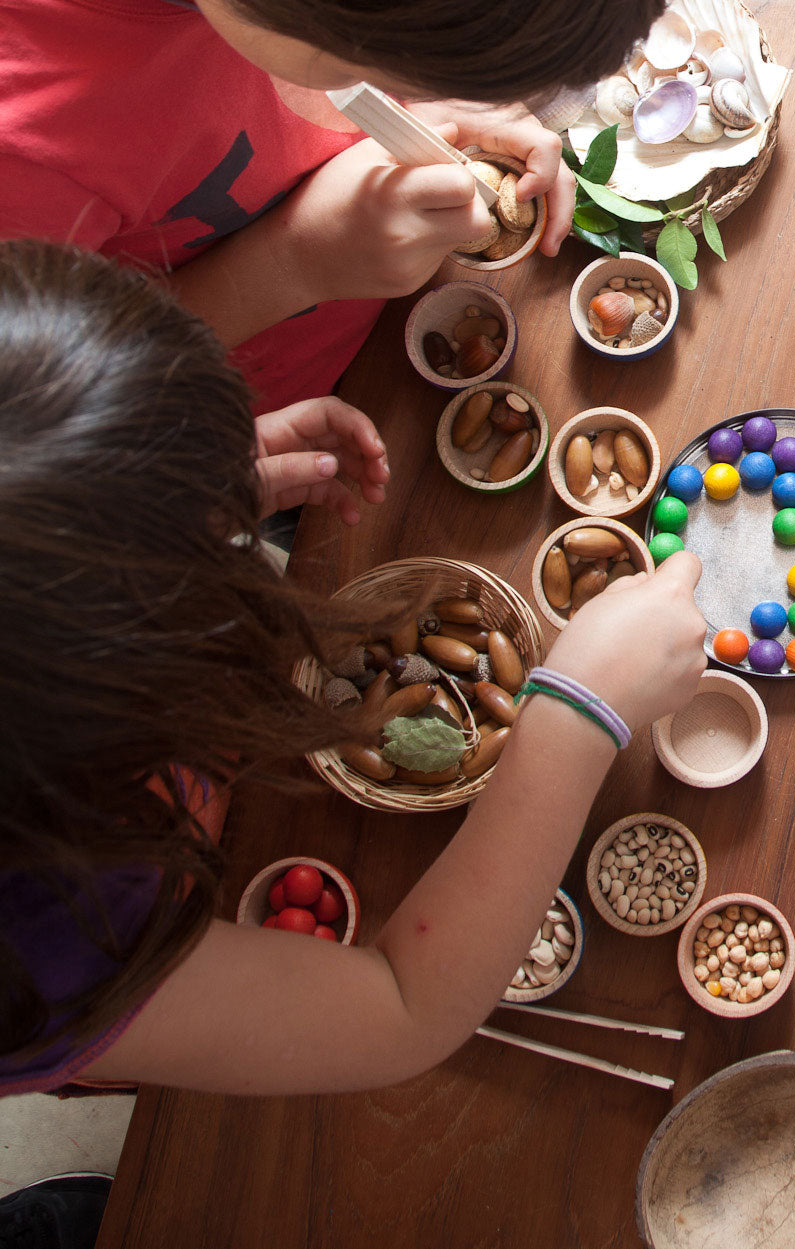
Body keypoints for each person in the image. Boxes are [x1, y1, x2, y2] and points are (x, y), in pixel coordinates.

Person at [0, 239, 708, 1097]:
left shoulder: (56, 644)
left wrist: (186, 486)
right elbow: (403, 1009)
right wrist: (577, 711)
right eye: (202, 561)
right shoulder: (49, 940)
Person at [0, 0, 664, 412]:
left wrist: (439, 105)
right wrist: (293, 261)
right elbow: (42, 408)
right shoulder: (30, 133)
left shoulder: (310, 26)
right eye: (365, 78)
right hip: (252, 420)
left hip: (388, 331)